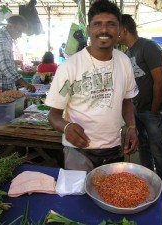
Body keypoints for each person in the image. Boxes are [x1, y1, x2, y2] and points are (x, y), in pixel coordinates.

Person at [45, 0, 139, 172]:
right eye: (97, 24)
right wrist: (66, 127)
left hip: (114, 148)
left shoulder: (124, 61)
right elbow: (53, 115)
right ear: (89, 29)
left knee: (111, 196)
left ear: (119, 30)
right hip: (78, 151)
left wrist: (132, 127)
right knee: (78, 197)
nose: (104, 30)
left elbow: (127, 101)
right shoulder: (69, 66)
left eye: (111, 25)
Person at [118, 14, 162, 201]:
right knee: (144, 148)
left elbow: (159, 81)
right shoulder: (127, 53)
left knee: (157, 149)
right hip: (137, 109)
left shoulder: (147, 46)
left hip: (153, 110)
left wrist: (154, 109)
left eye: (115, 29)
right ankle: (149, 183)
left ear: (123, 30)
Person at [0, 15, 35, 92]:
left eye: (21, 33)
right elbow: (6, 67)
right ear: (10, 26)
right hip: (1, 86)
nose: (20, 35)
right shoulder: (2, 39)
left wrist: (13, 61)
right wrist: (26, 84)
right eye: (18, 31)